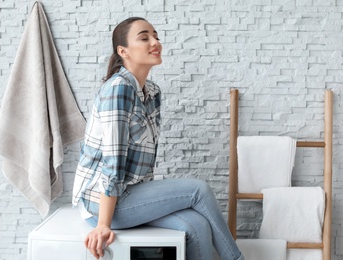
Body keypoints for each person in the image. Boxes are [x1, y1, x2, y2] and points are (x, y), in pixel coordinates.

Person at [72, 17, 244, 260]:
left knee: (197, 225)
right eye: (144, 38)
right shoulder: (118, 89)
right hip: (103, 202)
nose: (155, 42)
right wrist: (103, 224)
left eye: (156, 36)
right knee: (199, 190)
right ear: (123, 51)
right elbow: (113, 163)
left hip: (131, 194)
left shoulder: (152, 92)